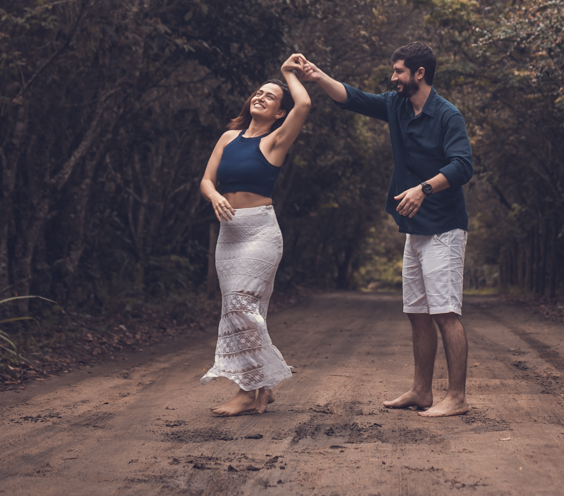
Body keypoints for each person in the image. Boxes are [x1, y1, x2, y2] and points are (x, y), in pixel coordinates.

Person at [300, 42, 473, 417]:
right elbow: (354, 99)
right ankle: (421, 391)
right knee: (418, 311)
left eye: (398, 71)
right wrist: (316, 75)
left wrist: (425, 188)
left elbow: (463, 166)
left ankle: (457, 397)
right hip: (414, 228)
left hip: (444, 227)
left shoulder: (447, 115)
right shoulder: (396, 105)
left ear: (419, 74)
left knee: (445, 312)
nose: (393, 77)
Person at [198, 54, 311, 417]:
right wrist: (214, 195)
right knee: (242, 311)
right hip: (229, 237)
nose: (260, 97)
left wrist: (287, 73)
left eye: (270, 97)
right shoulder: (229, 137)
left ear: (280, 113)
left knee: (239, 306)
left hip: (260, 233)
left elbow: (305, 103)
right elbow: (206, 180)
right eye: (258, 93)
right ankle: (261, 384)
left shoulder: (276, 141)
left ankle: (249, 392)